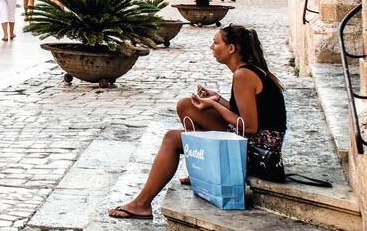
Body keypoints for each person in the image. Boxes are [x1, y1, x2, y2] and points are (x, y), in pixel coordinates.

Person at [108, 25, 286, 220]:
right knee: (186, 106)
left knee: (172, 139)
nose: (211, 46)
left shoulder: (243, 75)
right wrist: (217, 99)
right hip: (257, 141)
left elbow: (249, 127)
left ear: (231, 48)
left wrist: (214, 106)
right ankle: (201, 168)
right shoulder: (249, 70)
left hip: (259, 151)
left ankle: (142, 204)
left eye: (216, 42)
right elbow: (243, 115)